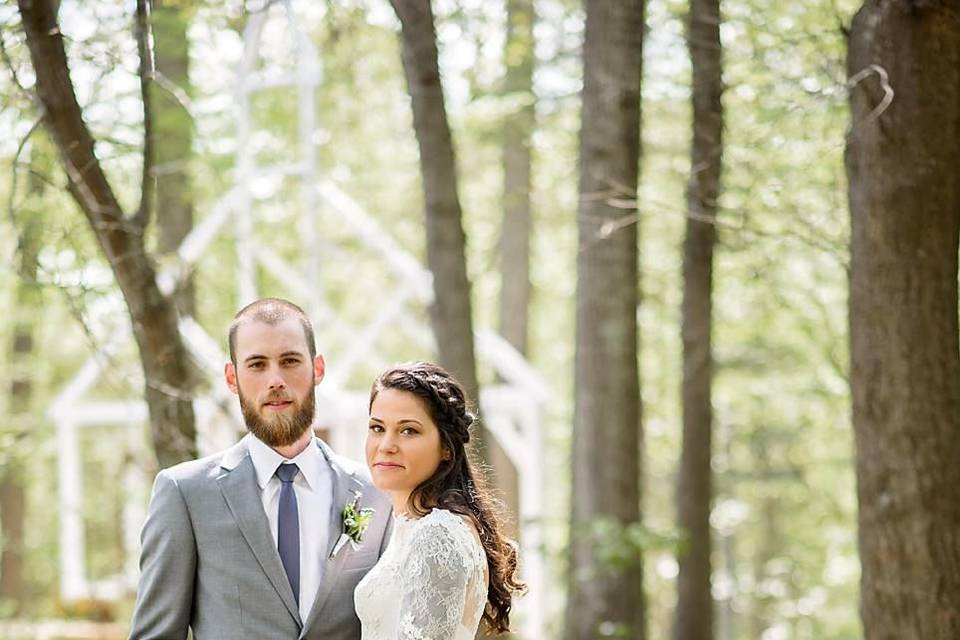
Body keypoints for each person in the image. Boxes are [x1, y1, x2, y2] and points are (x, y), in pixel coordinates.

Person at [129, 298, 392, 640]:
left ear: (318, 369)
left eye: (289, 361)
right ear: (232, 377)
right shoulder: (185, 494)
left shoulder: (376, 492)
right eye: (256, 365)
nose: (275, 380)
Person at [355, 362, 526, 639]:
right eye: (377, 428)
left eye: (408, 430)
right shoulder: (414, 526)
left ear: (446, 447)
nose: (386, 445)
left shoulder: (437, 534)